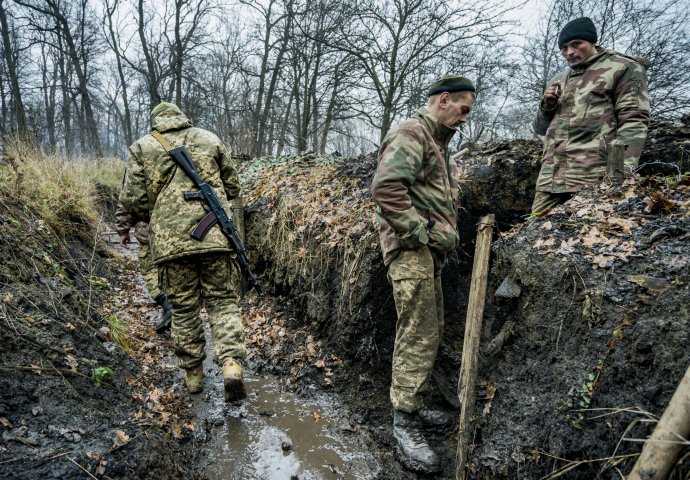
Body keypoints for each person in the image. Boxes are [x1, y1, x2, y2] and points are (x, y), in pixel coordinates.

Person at [371, 75, 475, 473]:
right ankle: (404, 420)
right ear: (443, 100)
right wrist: (420, 233)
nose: (465, 118)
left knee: (430, 328)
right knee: (418, 332)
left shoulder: (436, 141)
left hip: (426, 252)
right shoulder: (412, 132)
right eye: (463, 109)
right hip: (410, 250)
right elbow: (386, 187)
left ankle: (414, 404)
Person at [119, 102, 247, 402]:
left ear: (155, 121)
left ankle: (193, 375)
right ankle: (231, 365)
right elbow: (233, 186)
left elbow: (133, 200)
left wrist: (163, 213)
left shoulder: (141, 147)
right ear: (181, 117)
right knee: (223, 302)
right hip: (216, 236)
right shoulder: (209, 138)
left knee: (184, 308)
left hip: (171, 244)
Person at [532, 16, 650, 214]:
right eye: (564, 48)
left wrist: (621, 174)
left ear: (592, 41)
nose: (569, 52)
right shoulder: (559, 78)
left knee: (589, 239)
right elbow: (540, 129)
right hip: (550, 180)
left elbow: (634, 121)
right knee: (531, 235)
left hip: (593, 177)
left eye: (576, 44)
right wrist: (547, 105)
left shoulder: (622, 67)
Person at [114, 203, 172, 333]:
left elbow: (128, 199)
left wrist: (123, 230)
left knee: (151, 272)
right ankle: (172, 313)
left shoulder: (139, 180)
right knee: (175, 271)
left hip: (150, 232)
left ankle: (168, 306)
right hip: (181, 232)